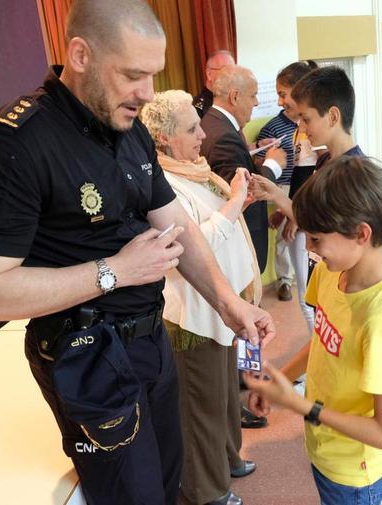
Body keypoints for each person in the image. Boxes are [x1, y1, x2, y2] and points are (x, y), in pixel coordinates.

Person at [0, 2, 274, 504]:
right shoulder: (11, 145)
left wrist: (231, 305)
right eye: (133, 75)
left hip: (150, 340)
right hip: (86, 355)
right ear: (80, 54)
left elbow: (178, 226)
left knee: (167, 485)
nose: (146, 92)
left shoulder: (131, 130)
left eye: (153, 75)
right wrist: (114, 272)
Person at [244, 155, 382, 505]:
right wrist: (280, 380)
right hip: (326, 449)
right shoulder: (328, 273)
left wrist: (303, 406)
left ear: (361, 234)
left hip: (358, 473)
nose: (308, 247)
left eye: (317, 239)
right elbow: (323, 341)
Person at [141, 90, 260, 505]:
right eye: (191, 129)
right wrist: (233, 205)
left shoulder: (194, 169)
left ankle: (226, 458)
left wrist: (236, 200)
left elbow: (217, 228)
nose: (201, 135)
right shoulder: (162, 183)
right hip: (193, 313)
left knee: (225, 395)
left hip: (222, 308)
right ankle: (205, 491)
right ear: (163, 138)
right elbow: (184, 250)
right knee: (199, 409)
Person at [200, 64, 286, 274]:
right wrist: (273, 165)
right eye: (253, 96)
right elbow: (241, 193)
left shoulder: (213, 123)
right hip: (240, 238)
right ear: (235, 96)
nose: (256, 102)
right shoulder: (223, 136)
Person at [255, 61, 319, 326]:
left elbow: (315, 178)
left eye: (283, 93)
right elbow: (302, 179)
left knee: (309, 296)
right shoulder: (298, 132)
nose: (280, 101)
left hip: (311, 215)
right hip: (301, 210)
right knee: (309, 296)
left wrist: (293, 216)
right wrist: (285, 212)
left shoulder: (311, 132)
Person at [290, 65, 363, 167]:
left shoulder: (355, 175)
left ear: (333, 117)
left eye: (306, 119)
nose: (301, 129)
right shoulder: (324, 161)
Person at [193, 50, 235, 118]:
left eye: (233, 70)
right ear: (209, 74)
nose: (231, 75)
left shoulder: (234, 102)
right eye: (226, 70)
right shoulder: (195, 109)